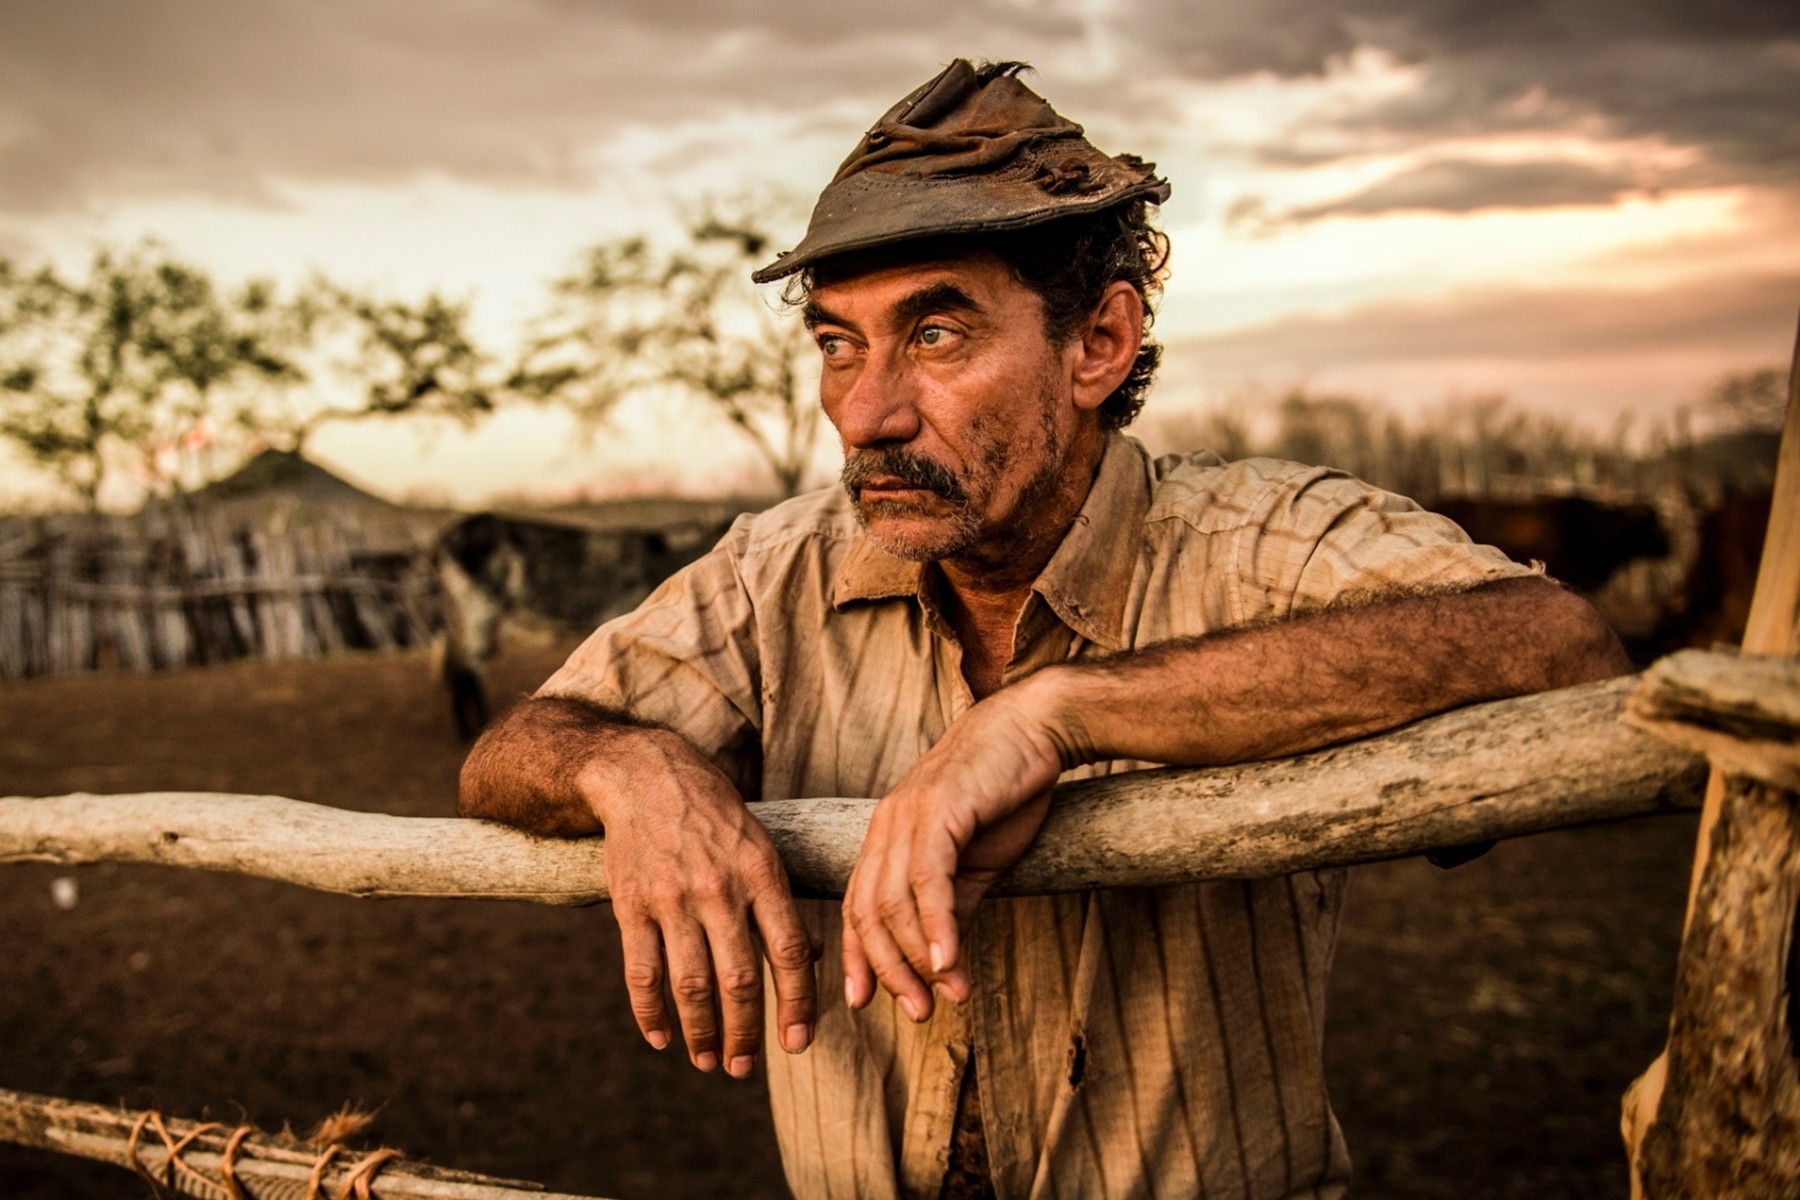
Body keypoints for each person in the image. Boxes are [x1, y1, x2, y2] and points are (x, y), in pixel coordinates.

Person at [459, 59, 1630, 1200]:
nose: (867, 412)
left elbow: (1562, 649)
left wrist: (1060, 715)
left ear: (1099, 346)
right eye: (836, 343)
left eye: (935, 334)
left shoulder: (1258, 541)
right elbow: (510, 751)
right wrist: (632, 764)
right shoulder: (779, 569)